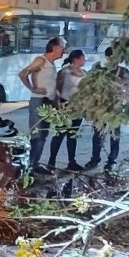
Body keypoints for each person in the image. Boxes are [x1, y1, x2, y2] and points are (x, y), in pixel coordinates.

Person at [18, 36, 66, 174]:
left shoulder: (50, 64)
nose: (64, 50)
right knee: (37, 136)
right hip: (39, 101)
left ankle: (35, 165)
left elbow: (52, 86)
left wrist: (57, 104)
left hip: (48, 103)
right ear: (55, 48)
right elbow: (22, 74)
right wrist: (33, 89)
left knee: (43, 135)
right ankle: (30, 168)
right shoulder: (41, 60)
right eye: (62, 47)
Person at [85, 46, 129, 173]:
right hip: (101, 107)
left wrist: (126, 105)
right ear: (107, 57)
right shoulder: (100, 71)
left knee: (115, 135)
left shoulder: (124, 72)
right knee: (97, 134)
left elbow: (128, 90)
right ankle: (95, 159)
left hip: (116, 109)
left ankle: (112, 160)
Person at [47, 50, 87, 171]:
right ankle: (51, 161)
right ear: (76, 59)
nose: (85, 60)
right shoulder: (64, 72)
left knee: (72, 135)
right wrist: (58, 108)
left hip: (78, 107)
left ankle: (72, 161)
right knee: (59, 134)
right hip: (64, 105)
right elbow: (56, 91)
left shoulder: (84, 73)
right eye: (83, 58)